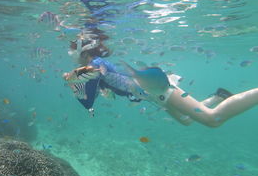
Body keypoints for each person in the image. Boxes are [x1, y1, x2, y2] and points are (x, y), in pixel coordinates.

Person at [63, 35, 258, 127]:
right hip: (157, 95)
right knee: (186, 121)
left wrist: (72, 78)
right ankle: (218, 96)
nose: (71, 55)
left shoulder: (96, 64)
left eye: (72, 51)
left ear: (84, 52)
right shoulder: (95, 67)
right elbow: (92, 96)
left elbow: (87, 96)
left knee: (212, 119)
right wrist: (75, 81)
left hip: (161, 90)